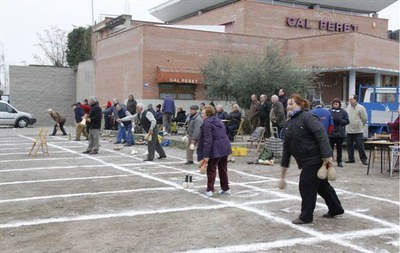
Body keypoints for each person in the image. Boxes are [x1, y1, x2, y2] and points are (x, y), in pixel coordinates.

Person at [279, 94, 344, 224]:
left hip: (315, 158)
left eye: (292, 104)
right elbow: (287, 146)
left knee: (306, 184)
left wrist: (327, 156)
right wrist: (283, 169)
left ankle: (306, 216)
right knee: (322, 186)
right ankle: (336, 208)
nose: (289, 107)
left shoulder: (308, 117)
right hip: (305, 160)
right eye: (287, 105)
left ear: (301, 104)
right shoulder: (288, 123)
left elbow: (321, 134)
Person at [197, 105, 232, 197]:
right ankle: (226, 188)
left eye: (203, 113)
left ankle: (210, 190)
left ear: (208, 114)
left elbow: (208, 140)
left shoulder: (207, 123)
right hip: (225, 147)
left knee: (211, 169)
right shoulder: (218, 120)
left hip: (216, 148)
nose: (201, 115)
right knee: (223, 168)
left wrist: (205, 155)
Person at [345, 94, 368, 165]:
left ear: (355, 99)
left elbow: (364, 119)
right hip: (349, 130)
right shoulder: (348, 108)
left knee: (360, 146)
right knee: (349, 146)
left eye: (351, 99)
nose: (350, 101)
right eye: (349, 99)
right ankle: (351, 158)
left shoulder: (361, 108)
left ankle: (364, 159)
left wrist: (360, 125)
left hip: (358, 131)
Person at [329, 98, 349, 167]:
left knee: (339, 148)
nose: (335, 105)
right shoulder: (329, 111)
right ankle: (329, 161)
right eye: (334, 104)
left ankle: (339, 161)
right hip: (331, 133)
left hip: (340, 133)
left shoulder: (343, 112)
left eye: (337, 104)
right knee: (330, 148)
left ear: (339, 104)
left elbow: (347, 121)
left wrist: (340, 121)